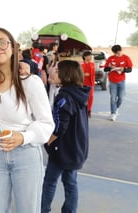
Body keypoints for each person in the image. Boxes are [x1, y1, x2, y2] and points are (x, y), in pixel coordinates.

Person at [0, 27, 54, 213]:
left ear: (13, 48)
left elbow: (47, 123)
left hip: (26, 154)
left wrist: (22, 137)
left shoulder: (30, 82)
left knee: (28, 209)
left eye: (2, 42)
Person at [41, 60, 90, 213]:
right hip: (76, 147)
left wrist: (48, 142)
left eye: (56, 71)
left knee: (50, 182)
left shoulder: (64, 96)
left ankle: (43, 209)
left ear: (66, 74)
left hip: (62, 149)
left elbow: (60, 126)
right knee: (71, 183)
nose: (53, 72)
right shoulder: (79, 93)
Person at [103, 44, 133, 121]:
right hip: (112, 81)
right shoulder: (110, 58)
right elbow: (105, 69)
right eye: (115, 53)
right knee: (113, 98)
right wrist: (110, 68)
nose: (117, 55)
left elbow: (130, 69)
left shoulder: (126, 58)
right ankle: (113, 113)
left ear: (121, 50)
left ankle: (116, 109)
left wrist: (123, 69)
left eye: (118, 53)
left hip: (121, 81)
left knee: (121, 98)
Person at [81, 50, 95, 117]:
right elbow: (79, 74)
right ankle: (83, 110)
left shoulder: (92, 64)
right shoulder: (81, 65)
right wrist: (84, 74)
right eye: (89, 56)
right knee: (83, 97)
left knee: (91, 97)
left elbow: (93, 74)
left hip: (90, 83)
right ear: (85, 57)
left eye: (91, 56)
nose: (90, 57)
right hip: (82, 84)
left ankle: (89, 110)